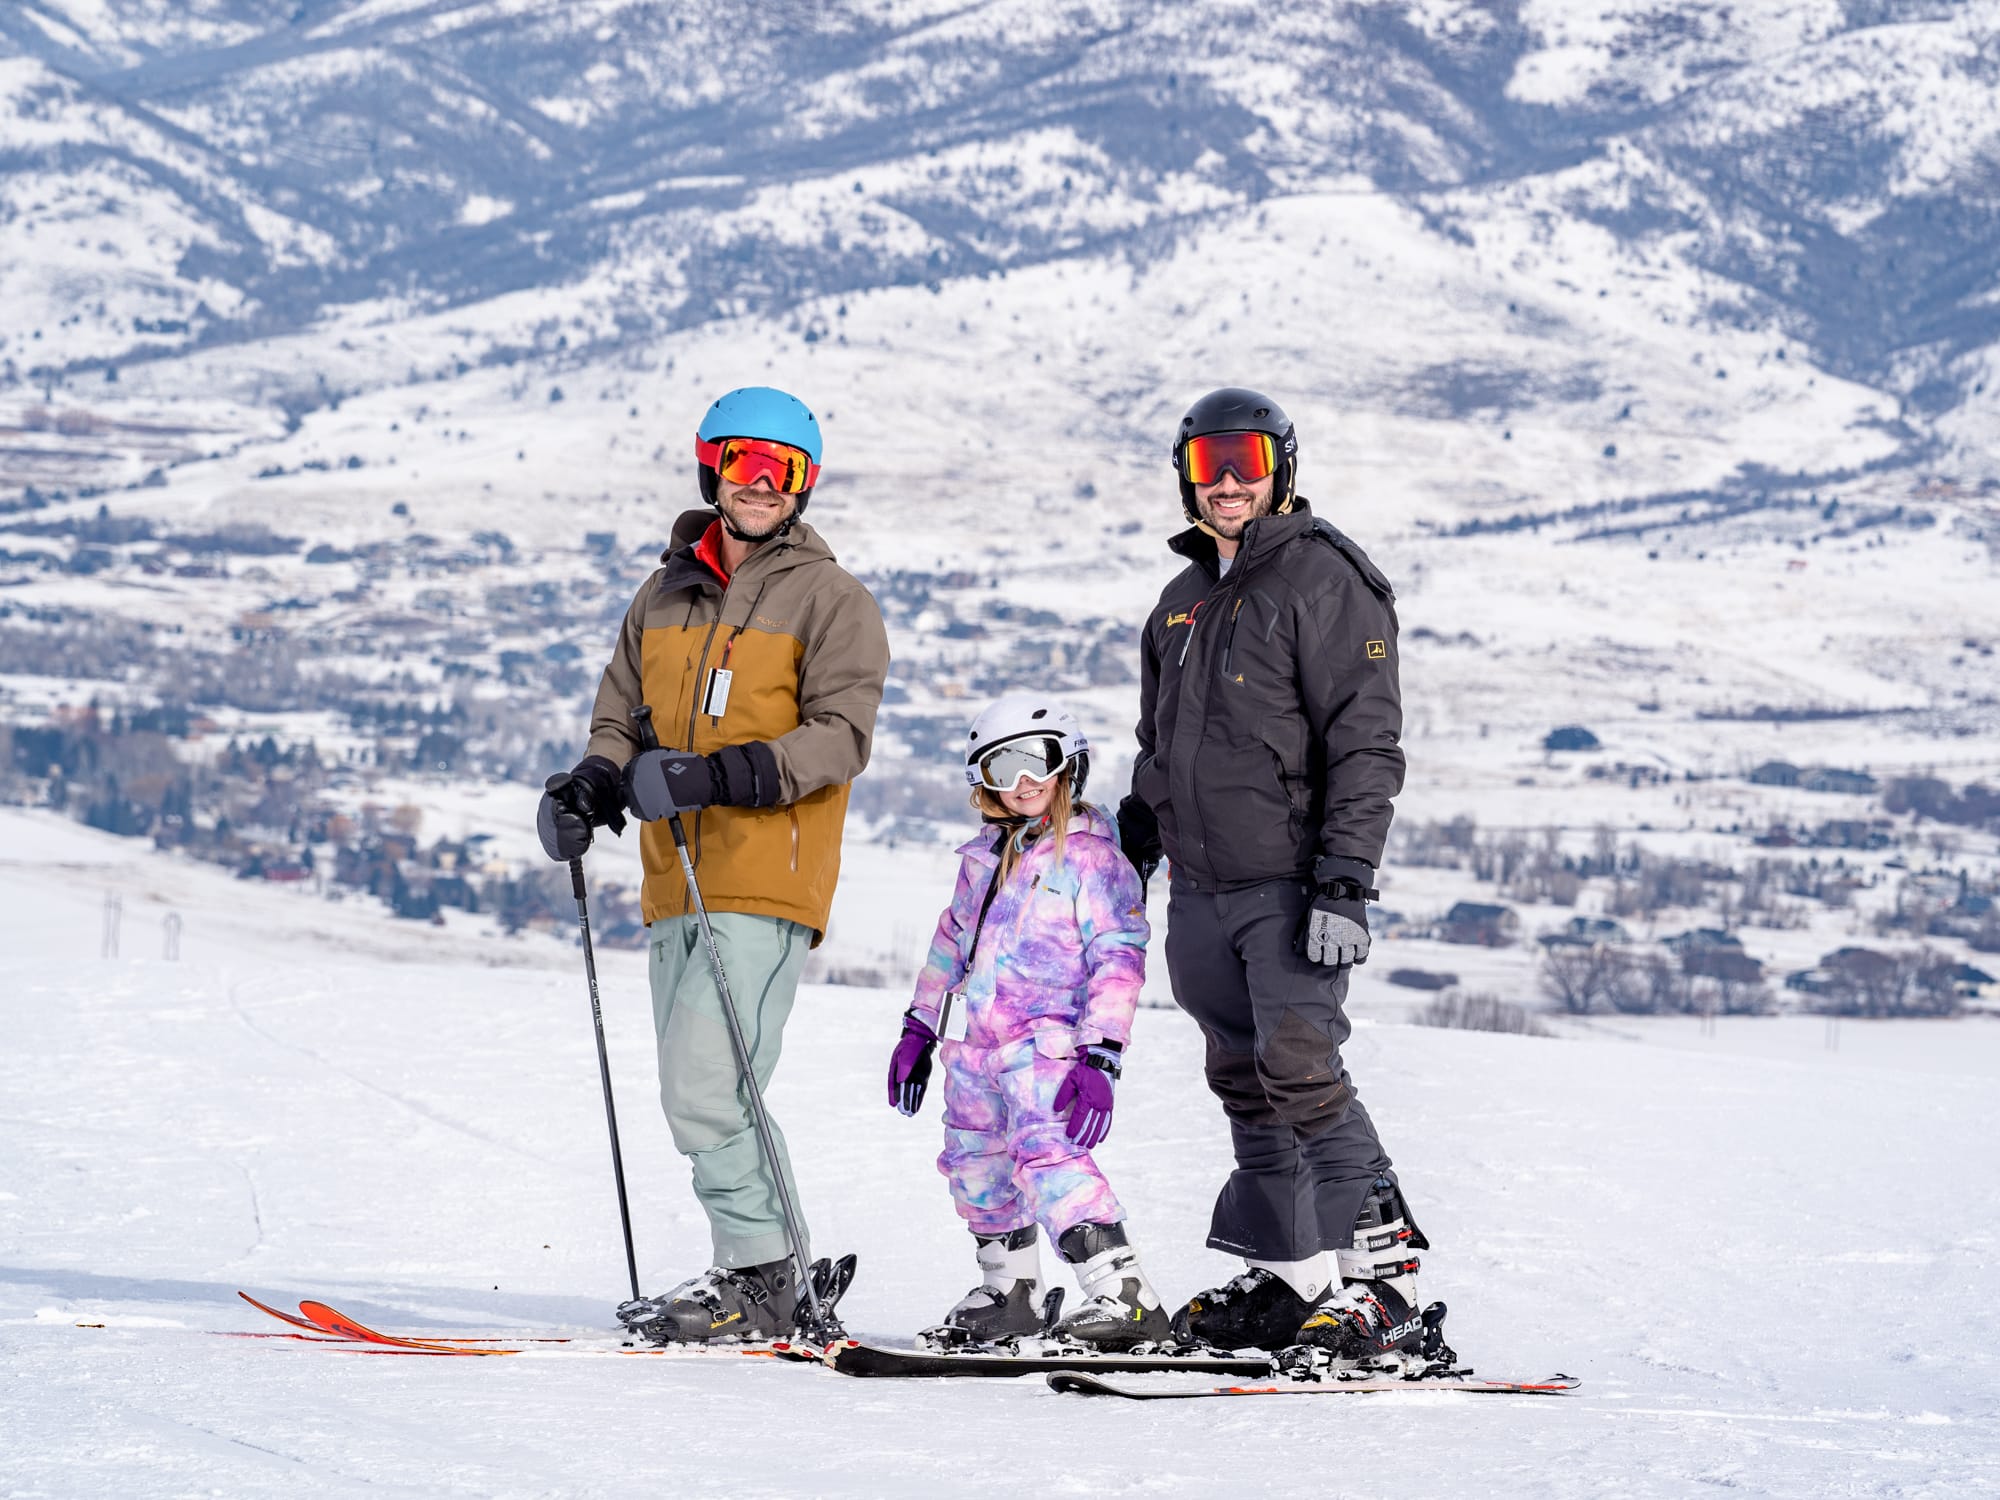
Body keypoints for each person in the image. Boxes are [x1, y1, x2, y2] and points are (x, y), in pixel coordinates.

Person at [537, 386, 889, 1342]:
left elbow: (841, 738)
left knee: (703, 1088)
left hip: (766, 874)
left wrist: (720, 774)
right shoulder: (661, 596)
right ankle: (769, 1274)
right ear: (712, 470)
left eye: (783, 470)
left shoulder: (833, 600)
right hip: (670, 879)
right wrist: (590, 790)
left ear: (806, 485)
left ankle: (766, 1272)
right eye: (744, 463)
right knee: (706, 1093)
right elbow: (622, 720)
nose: (762, 485)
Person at [1116, 387, 1434, 1366]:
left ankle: (1383, 1287)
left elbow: (1364, 743)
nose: (1226, 479)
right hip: (1202, 891)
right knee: (1241, 1078)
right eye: (1207, 460)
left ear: (1281, 465)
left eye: (1246, 456)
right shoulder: (1178, 603)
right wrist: (1142, 818)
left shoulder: (1325, 580)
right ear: (1183, 473)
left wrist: (1345, 878)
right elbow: (1158, 738)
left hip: (1288, 885)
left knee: (1302, 1072)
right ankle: (1285, 1278)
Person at [886, 695, 1168, 1351]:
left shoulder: (1094, 859)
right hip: (978, 1054)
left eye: (1034, 762)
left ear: (1068, 763)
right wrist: (919, 1028)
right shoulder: (983, 856)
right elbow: (950, 940)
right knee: (975, 1163)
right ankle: (1011, 1291)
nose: (1020, 784)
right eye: (1000, 767)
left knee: (1053, 1165)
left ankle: (1127, 1297)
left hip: (1049, 1051)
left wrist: (1102, 1056)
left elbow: (1119, 959)